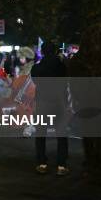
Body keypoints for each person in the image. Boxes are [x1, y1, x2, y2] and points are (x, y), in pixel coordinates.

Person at [31, 41, 69, 175]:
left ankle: (42, 163)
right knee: (61, 134)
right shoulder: (63, 67)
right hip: (59, 103)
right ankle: (61, 165)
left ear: (42, 52)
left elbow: (36, 82)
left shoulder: (36, 68)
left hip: (43, 104)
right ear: (55, 51)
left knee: (41, 134)